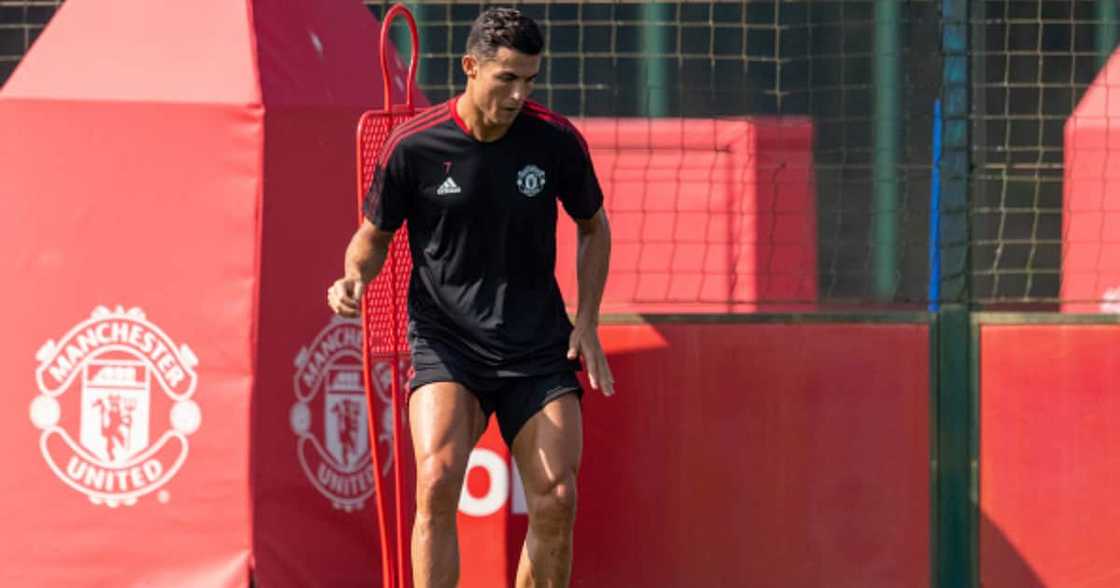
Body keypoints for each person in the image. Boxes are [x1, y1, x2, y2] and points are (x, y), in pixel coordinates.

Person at [326, 7, 613, 587]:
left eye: (529, 79)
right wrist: (354, 276)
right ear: (470, 67)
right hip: (447, 343)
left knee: (557, 497)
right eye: (506, 77)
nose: (517, 93)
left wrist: (587, 318)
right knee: (435, 480)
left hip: (537, 346)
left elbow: (593, 226)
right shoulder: (413, 146)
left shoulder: (555, 141)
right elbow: (371, 238)